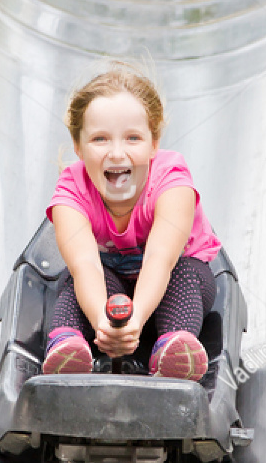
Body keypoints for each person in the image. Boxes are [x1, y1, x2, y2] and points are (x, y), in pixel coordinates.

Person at [43, 65, 221, 381]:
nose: (116, 152)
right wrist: (104, 322)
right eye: (99, 139)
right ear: (78, 146)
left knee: (186, 275)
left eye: (133, 138)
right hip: (110, 288)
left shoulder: (172, 180)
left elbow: (160, 259)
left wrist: (136, 318)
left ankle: (173, 348)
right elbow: (86, 266)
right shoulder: (71, 190)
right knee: (73, 285)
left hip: (173, 278)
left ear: (154, 143)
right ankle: (69, 346)